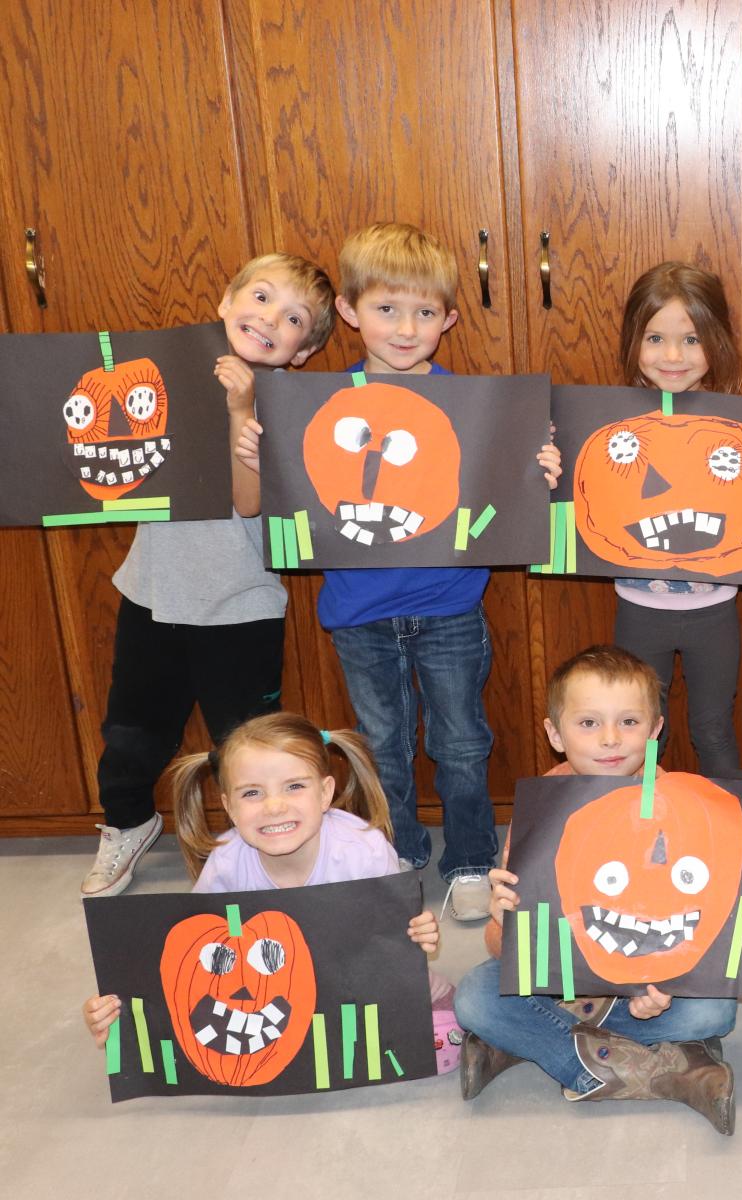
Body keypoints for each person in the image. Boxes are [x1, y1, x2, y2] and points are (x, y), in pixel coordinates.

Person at [237, 223, 560, 920]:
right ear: (351, 312)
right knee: (382, 744)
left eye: (423, 313)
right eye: (386, 309)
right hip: (359, 613)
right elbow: (291, 491)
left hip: (448, 606)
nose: (405, 328)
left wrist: (539, 475)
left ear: (447, 318)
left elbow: (507, 488)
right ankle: (399, 852)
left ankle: (471, 857)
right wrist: (263, 456)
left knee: (462, 740)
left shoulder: (475, 407)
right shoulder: (311, 405)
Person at [80, 254, 337, 899]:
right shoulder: (163, 376)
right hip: (153, 594)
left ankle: (262, 849)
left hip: (241, 608)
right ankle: (128, 824)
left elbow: (249, 502)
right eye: (259, 297)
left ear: (302, 351)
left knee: (249, 747)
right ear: (225, 302)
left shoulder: (292, 404)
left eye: (292, 318)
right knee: (132, 730)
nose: (269, 318)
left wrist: (240, 407)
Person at [452, 645, 737, 1134]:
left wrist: (662, 989)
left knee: (718, 1009)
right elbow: (507, 955)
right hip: (559, 985)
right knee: (475, 996)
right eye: (588, 723)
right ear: (555, 734)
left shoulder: (682, 808)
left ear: (655, 730)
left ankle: (531, 1046)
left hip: (641, 988)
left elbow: (700, 928)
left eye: (629, 722)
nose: (610, 739)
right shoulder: (542, 811)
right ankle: (654, 1072)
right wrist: (504, 919)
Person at [82, 712, 442, 1045]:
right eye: (252, 793)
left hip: (352, 975)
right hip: (272, 987)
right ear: (229, 807)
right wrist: (122, 1012)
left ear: (326, 793)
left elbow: (391, 942)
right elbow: (194, 954)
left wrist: (415, 933)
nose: (274, 806)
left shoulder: (363, 850)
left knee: (431, 1004)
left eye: (294, 786)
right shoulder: (226, 862)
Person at [610, 262, 742, 776]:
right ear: (632, 344)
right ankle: (635, 827)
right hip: (637, 609)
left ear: (716, 344)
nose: (671, 356)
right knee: (638, 731)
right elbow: (575, 504)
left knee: (712, 725)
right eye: (656, 338)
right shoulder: (609, 425)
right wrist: (551, 469)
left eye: (690, 340)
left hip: (714, 612)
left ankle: (725, 825)